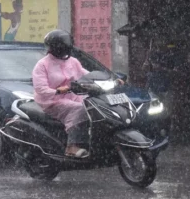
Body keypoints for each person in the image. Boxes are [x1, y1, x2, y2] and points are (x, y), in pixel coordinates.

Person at [32, 29, 123, 158]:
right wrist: (57, 91)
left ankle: (99, 141)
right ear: (53, 48)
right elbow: (40, 89)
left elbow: (88, 75)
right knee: (80, 109)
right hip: (52, 101)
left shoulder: (73, 61)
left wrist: (111, 79)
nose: (64, 50)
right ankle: (72, 146)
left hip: (74, 96)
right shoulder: (42, 65)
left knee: (96, 106)